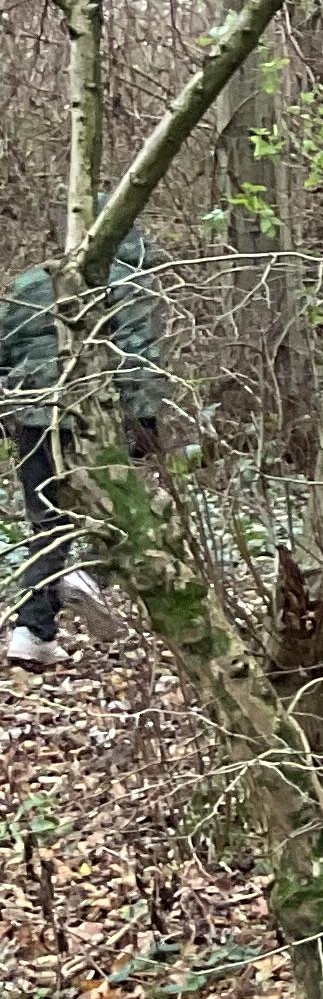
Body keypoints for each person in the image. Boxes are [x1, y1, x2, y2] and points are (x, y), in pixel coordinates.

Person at [4, 230, 167, 674]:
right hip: (95, 417)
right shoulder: (126, 283)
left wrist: (14, 402)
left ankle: (32, 633)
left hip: (35, 417)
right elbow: (138, 357)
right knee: (125, 514)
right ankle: (91, 575)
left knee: (47, 524)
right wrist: (145, 424)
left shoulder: (33, 281)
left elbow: (5, 347)